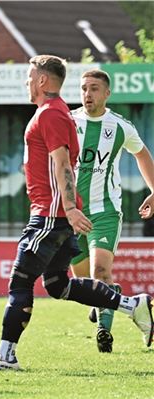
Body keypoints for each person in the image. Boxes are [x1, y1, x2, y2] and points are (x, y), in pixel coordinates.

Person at [0, 55, 153, 372]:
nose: (27, 82)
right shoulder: (61, 114)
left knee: (20, 281)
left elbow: (62, 164)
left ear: (43, 81)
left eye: (30, 76)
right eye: (84, 88)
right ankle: (132, 304)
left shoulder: (53, 115)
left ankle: (6, 357)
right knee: (58, 285)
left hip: (53, 215)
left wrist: (68, 208)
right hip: (61, 214)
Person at [70, 69, 154, 353]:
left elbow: (141, 153)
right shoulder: (68, 122)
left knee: (100, 270)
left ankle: (103, 330)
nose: (87, 94)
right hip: (71, 213)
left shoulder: (120, 126)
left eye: (94, 88)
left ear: (107, 93)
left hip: (105, 210)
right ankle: (110, 296)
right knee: (82, 281)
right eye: (83, 88)